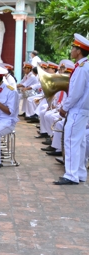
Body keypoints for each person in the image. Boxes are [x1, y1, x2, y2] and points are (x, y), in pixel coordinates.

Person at [54, 34, 89, 185]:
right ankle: (80, 172)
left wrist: (65, 107)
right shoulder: (84, 66)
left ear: (79, 51)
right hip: (82, 110)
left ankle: (71, 175)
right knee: (79, 142)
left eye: (73, 48)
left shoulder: (82, 68)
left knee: (70, 141)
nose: (71, 50)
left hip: (77, 109)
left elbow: (76, 92)